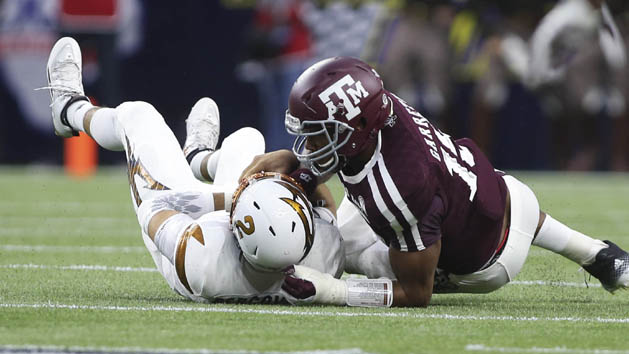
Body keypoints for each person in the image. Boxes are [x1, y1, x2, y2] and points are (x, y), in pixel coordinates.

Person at [241, 56, 629, 308]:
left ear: (356, 127)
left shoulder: (399, 190)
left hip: (484, 264)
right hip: (506, 192)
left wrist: (330, 291)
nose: (309, 144)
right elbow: (347, 152)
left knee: (342, 249)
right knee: (464, 199)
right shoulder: (381, 106)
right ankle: (597, 253)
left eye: (318, 134)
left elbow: (416, 294)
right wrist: (299, 167)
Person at [43, 37, 348, 304]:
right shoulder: (323, 256)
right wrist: (293, 180)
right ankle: (198, 157)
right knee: (248, 138)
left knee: (139, 116)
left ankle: (69, 109)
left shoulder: (202, 254)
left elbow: (156, 207)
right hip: (242, 232)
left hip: (182, 229)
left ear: (236, 228)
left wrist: (231, 196)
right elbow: (327, 208)